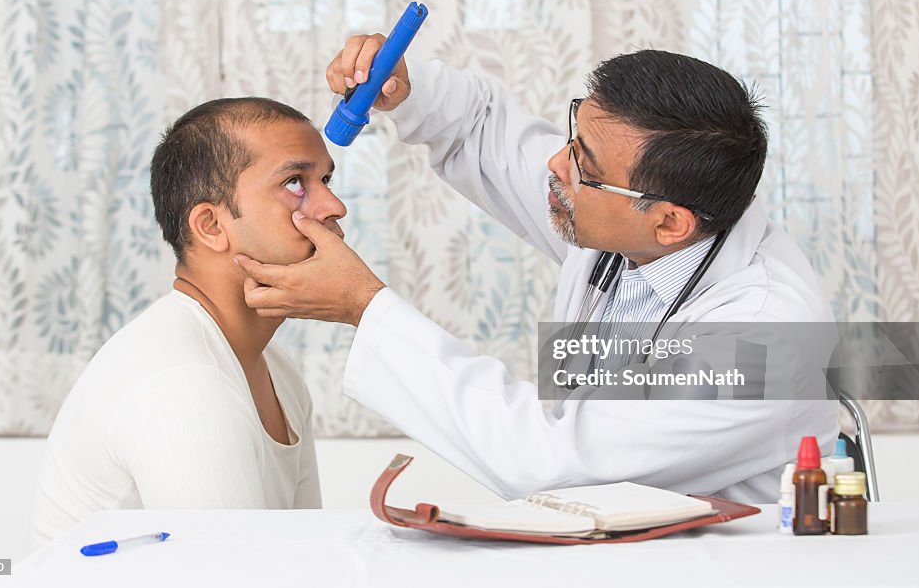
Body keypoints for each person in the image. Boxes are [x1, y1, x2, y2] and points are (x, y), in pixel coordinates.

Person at [235, 44, 839, 504]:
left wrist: (365, 306)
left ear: (670, 224)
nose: (554, 162)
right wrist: (405, 89)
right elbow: (479, 131)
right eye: (573, 136)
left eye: (583, 162)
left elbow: (549, 459)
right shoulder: (637, 207)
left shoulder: (767, 338)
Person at [31, 98, 345, 544]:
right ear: (211, 226)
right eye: (295, 182)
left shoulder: (278, 370)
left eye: (326, 179)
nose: (334, 205)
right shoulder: (183, 381)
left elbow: (303, 554)